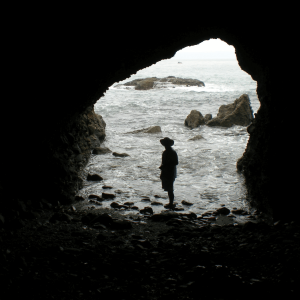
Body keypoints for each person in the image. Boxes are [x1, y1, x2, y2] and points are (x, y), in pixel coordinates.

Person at [159, 137, 178, 209]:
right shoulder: (169, 151)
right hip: (168, 171)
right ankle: (171, 203)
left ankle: (171, 203)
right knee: (169, 188)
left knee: (170, 189)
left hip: (169, 172)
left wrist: (165, 166)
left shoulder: (170, 152)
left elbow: (175, 162)